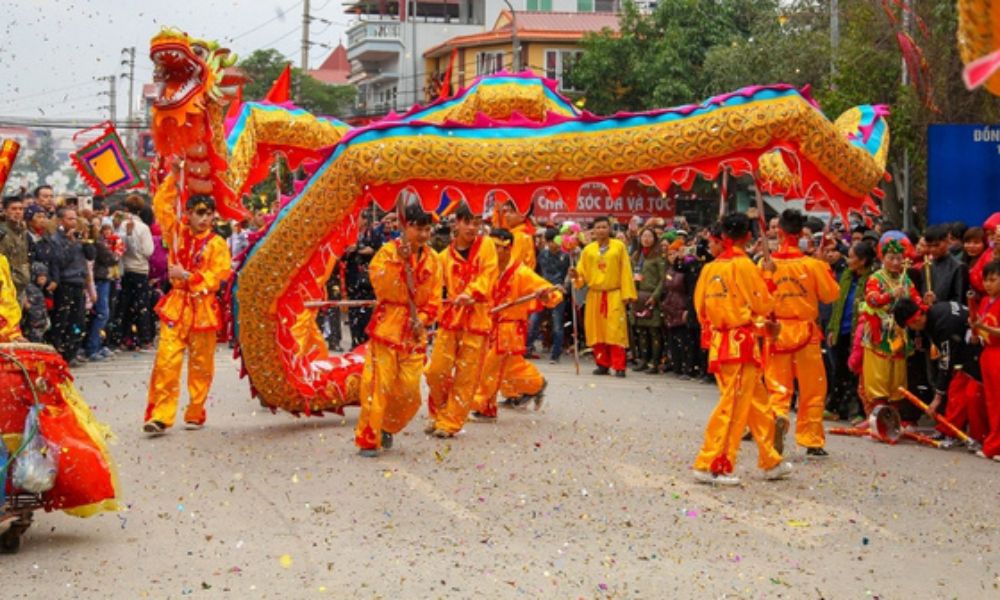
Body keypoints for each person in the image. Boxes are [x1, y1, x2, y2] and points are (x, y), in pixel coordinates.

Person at [692, 213, 791, 485]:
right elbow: (762, 305)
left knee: (755, 402)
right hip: (739, 345)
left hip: (721, 343)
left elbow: (700, 310)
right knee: (734, 406)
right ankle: (713, 463)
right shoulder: (743, 265)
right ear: (747, 237)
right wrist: (768, 279)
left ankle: (770, 460)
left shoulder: (709, 269)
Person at [143, 174, 232, 434]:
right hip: (177, 305)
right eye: (200, 213)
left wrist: (190, 277)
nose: (205, 218)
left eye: (209, 214)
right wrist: (173, 174)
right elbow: (161, 204)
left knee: (201, 366)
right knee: (166, 361)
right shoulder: (177, 235)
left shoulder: (217, 244)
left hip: (203, 308)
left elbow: (219, 275)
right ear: (189, 214)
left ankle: (195, 410)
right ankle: (161, 415)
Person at [354, 201, 442, 456]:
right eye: (418, 229)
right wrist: (399, 264)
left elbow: (434, 298)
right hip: (387, 328)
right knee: (376, 384)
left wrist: (423, 318)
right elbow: (379, 284)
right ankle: (368, 438)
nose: (424, 235)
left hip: (414, 334)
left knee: (409, 391)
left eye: (428, 229)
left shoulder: (434, 260)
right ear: (406, 226)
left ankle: (387, 426)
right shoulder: (387, 253)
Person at [763, 210, 841, 457]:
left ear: (780, 232)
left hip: (776, 331)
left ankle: (778, 418)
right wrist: (824, 270)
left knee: (777, 386)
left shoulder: (765, 263)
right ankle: (811, 438)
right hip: (806, 332)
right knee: (812, 388)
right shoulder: (813, 265)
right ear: (802, 234)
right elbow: (831, 295)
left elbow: (758, 299)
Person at [424, 202, 498, 438]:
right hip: (450, 320)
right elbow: (435, 288)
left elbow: (489, 273)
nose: (471, 227)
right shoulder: (444, 257)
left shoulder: (486, 246)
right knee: (435, 371)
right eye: (467, 222)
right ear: (456, 223)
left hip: (476, 321)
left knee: (466, 377)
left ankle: (450, 422)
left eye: (476, 222)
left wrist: (473, 292)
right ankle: (439, 412)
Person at [472, 228, 562, 419]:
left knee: (490, 367)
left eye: (498, 247)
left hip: (510, 327)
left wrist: (547, 295)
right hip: (491, 324)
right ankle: (534, 384)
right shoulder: (488, 269)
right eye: (491, 247)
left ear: (508, 248)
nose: (493, 251)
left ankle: (484, 406)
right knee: (509, 366)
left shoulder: (522, 273)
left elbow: (551, 292)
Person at [893, 297, 982, 446]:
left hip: (976, 350)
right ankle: (951, 429)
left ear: (916, 321)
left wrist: (937, 398)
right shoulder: (936, 310)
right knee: (958, 390)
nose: (914, 331)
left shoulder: (943, 325)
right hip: (966, 348)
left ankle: (954, 432)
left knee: (958, 391)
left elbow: (946, 363)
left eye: (911, 327)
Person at [858, 233, 924, 416]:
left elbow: (916, 300)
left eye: (898, 258)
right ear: (882, 258)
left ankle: (893, 416)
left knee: (897, 377)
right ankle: (877, 415)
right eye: (891, 258)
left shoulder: (905, 279)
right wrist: (890, 295)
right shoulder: (875, 278)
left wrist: (925, 302)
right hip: (879, 333)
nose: (895, 262)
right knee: (879, 375)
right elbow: (871, 300)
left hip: (899, 334)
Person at [570, 216, 637, 377]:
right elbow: (581, 273)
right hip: (595, 295)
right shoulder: (588, 250)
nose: (601, 230)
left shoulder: (619, 247)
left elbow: (626, 271)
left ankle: (619, 366)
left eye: (604, 227)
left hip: (614, 293)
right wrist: (575, 275)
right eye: (598, 227)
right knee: (597, 330)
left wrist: (627, 294)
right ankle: (602, 363)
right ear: (593, 230)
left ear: (610, 228)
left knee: (616, 331)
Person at [825, 241, 877, 421]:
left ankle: (859, 412)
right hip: (842, 329)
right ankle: (835, 408)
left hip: (861, 332)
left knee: (858, 373)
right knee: (839, 371)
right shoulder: (846, 276)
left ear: (863, 261)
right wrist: (832, 328)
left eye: (852, 256)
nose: (848, 260)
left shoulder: (873, 279)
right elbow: (837, 304)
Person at [51, 207, 96, 365]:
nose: (73, 222)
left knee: (78, 322)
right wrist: (70, 244)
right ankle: (60, 353)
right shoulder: (56, 239)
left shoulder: (77, 237)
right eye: (70, 219)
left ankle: (71, 352)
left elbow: (91, 255)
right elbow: (61, 262)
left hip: (79, 283)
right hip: (65, 284)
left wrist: (84, 242)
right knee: (63, 320)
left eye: (75, 219)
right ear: (61, 221)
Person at [116, 194, 155, 351]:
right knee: (142, 306)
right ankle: (144, 338)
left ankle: (124, 338)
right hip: (139, 269)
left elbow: (119, 246)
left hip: (125, 268)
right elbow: (148, 251)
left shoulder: (121, 225)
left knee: (125, 305)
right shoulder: (143, 228)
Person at [526, 228, 570, 363]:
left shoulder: (566, 256)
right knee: (533, 321)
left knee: (557, 324)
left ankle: (555, 354)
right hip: (542, 291)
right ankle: (527, 348)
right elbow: (537, 272)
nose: (552, 244)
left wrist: (565, 286)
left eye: (554, 241)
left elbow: (570, 273)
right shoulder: (542, 255)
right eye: (549, 241)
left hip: (557, 292)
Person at [971, 262, 1000, 460]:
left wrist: (984, 328)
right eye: (985, 280)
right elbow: (980, 330)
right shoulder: (984, 301)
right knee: (991, 402)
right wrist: (976, 332)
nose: (988, 284)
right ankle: (993, 443)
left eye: (993, 280)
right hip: (987, 353)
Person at [630, 227, 666, 373]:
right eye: (643, 236)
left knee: (654, 331)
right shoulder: (636, 256)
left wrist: (655, 296)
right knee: (641, 330)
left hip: (652, 296)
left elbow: (663, 279)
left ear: (654, 239)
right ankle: (643, 359)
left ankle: (655, 362)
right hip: (638, 296)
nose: (646, 239)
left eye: (649, 236)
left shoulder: (659, 256)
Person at [921, 224, 969, 304]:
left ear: (947, 241)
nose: (933, 249)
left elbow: (960, 301)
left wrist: (937, 300)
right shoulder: (926, 266)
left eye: (936, 245)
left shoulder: (958, 267)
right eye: (929, 246)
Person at [0, 195, 30, 302]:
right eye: (13, 209)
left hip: (20, 287)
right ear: (5, 211)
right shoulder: (2, 233)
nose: (18, 212)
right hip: (5, 288)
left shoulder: (22, 232)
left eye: (21, 209)